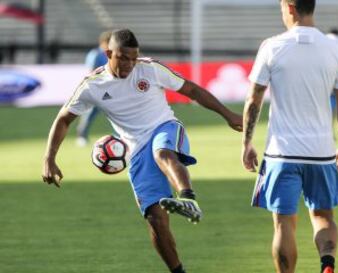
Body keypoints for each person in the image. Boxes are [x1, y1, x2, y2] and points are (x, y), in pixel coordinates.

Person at [42, 28, 243, 273]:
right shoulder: (92, 85)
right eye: (123, 58)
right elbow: (64, 119)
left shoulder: (150, 69)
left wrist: (228, 114)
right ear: (108, 54)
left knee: (162, 153)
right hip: (135, 150)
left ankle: (188, 199)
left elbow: (191, 89)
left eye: (133, 57)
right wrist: (49, 158)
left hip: (164, 127)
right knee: (155, 219)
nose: (129, 64)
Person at [241, 1, 338, 273]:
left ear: (290, 7)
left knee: (283, 223)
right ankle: (327, 264)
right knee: (323, 217)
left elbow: (253, 99)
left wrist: (246, 143)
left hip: (282, 153)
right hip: (322, 153)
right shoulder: (335, 49)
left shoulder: (272, 46)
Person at [76, 30, 112, 146]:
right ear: (103, 42)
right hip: (96, 88)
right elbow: (91, 72)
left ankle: (120, 136)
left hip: (110, 88)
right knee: (91, 112)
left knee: (115, 111)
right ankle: (82, 136)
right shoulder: (95, 54)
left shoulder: (111, 54)